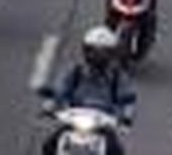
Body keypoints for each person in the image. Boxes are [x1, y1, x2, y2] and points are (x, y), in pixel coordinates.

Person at [43, 26, 134, 155]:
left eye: (103, 52)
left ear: (112, 54)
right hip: (74, 119)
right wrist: (50, 106)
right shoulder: (75, 71)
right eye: (93, 51)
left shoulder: (118, 76)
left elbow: (128, 99)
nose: (97, 56)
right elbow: (60, 90)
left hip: (104, 124)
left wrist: (126, 118)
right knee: (49, 146)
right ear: (85, 51)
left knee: (116, 151)